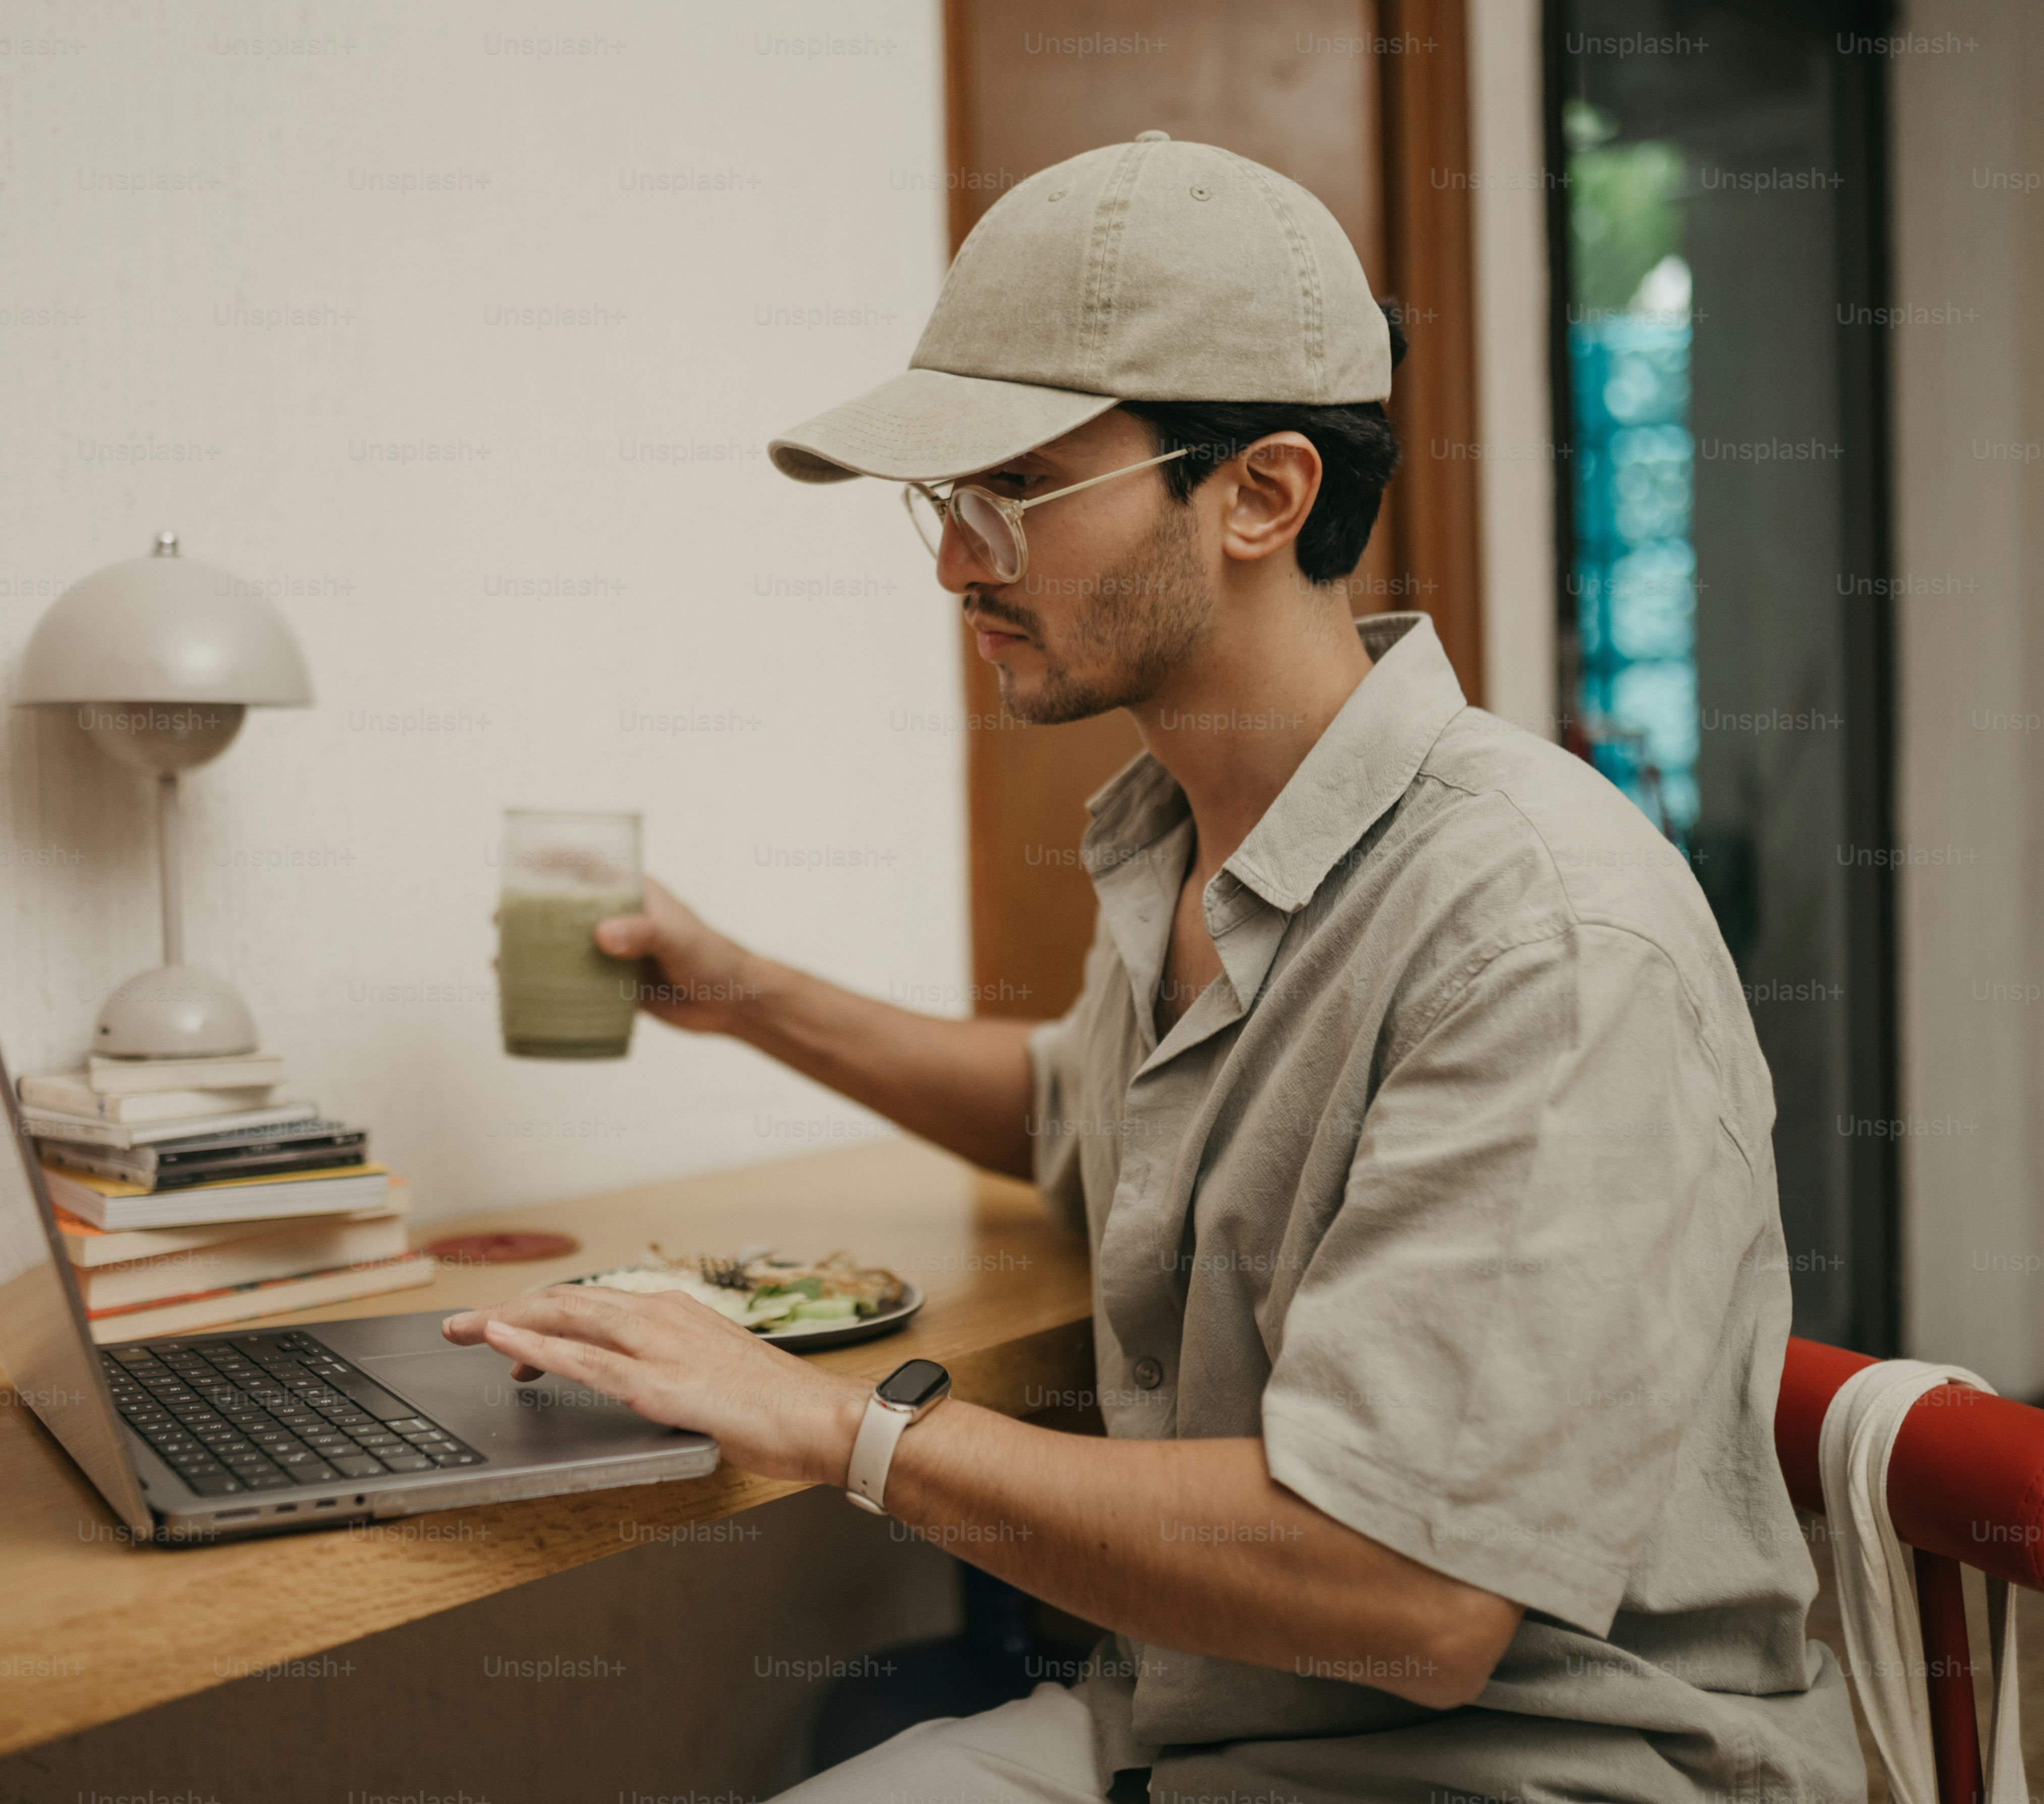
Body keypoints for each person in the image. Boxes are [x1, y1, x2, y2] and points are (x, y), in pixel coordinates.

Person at [442, 133, 1862, 1803]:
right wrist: (740, 990)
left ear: (1259, 492)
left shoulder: (1537, 935)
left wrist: (837, 1428)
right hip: (1196, 1725)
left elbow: (1402, 1597)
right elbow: (1077, 1114)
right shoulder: (1202, 839)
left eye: (1012, 497)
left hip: (1512, 1769)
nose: (959, 563)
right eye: (942, 504)